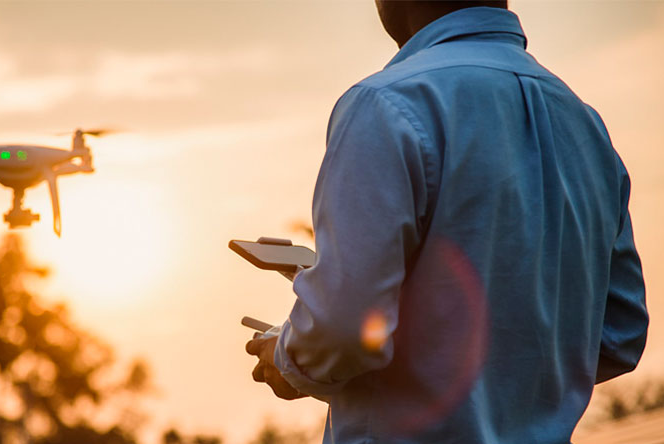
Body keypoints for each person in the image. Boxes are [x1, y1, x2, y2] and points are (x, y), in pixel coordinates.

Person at [245, 1, 648, 443]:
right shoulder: (584, 123)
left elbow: (342, 332)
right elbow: (619, 335)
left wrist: (287, 357)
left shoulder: (387, 103)